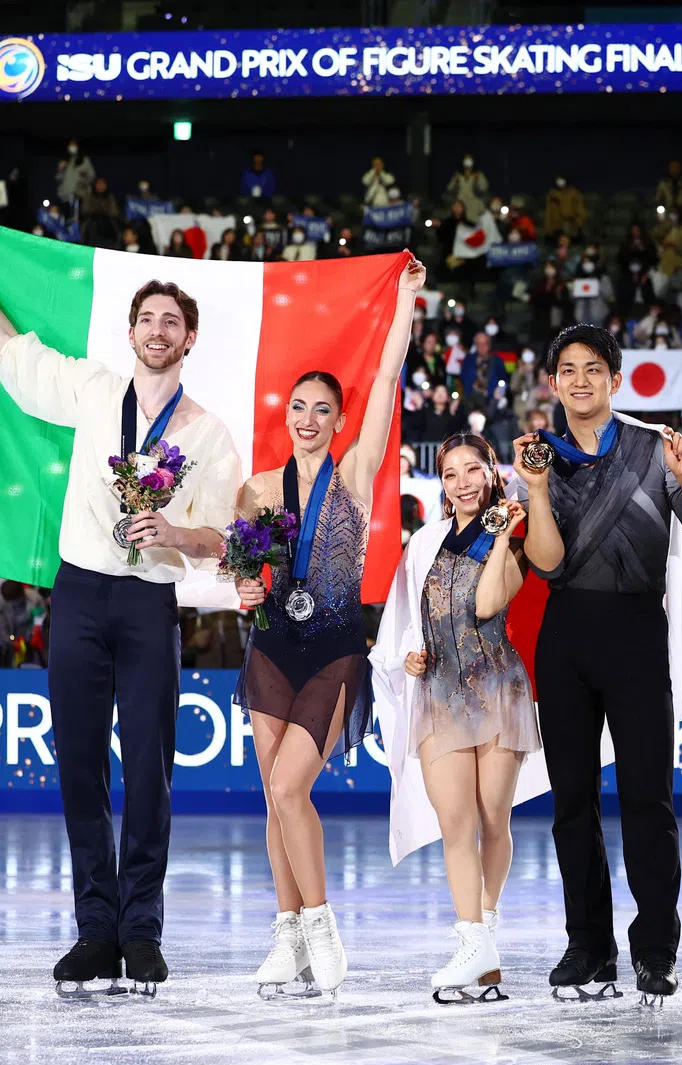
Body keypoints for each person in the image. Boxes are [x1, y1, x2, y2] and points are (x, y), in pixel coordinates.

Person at [0, 281, 243, 995]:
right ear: (131, 332)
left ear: (189, 338)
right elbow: (13, 353)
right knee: (77, 765)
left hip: (147, 601)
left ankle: (141, 933)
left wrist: (173, 532)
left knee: (148, 768)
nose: (158, 330)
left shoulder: (204, 430)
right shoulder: (94, 390)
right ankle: (96, 932)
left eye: (171, 321)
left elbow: (225, 536)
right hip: (77, 591)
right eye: (146, 319)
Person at [518, 324, 682, 1004]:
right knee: (571, 803)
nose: (580, 380)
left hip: (638, 629)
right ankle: (589, 946)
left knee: (647, 799)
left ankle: (656, 950)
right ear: (553, 384)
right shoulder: (536, 459)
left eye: (593, 369)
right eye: (568, 370)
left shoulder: (656, 450)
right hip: (566, 631)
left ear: (615, 379)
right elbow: (545, 563)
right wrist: (537, 491)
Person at [232, 256, 425, 1000]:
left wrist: (404, 302)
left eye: (322, 410)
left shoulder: (353, 473)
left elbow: (385, 379)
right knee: (274, 796)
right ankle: (288, 937)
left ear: (338, 421)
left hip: (337, 651)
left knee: (289, 787)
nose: (309, 420)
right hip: (273, 650)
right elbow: (243, 572)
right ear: (287, 417)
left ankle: (319, 923)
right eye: (299, 409)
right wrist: (245, 584)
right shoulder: (256, 489)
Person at [372, 434, 543, 1000]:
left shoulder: (516, 542)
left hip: (498, 689)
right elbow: (404, 620)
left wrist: (501, 534)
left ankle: (484, 935)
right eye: (450, 474)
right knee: (455, 824)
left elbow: (490, 603)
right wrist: (409, 655)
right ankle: (473, 942)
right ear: (442, 484)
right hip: (440, 694)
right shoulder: (423, 542)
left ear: (491, 473)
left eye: (473, 469)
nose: (463, 481)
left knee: (494, 817)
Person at [544, 174, 587, 240]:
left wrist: (578, 223)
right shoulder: (552, 194)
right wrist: (548, 229)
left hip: (571, 224)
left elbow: (580, 210)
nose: (560, 182)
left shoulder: (574, 193)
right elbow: (549, 213)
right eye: (558, 180)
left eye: (562, 180)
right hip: (556, 227)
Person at [446, 155, 489, 219]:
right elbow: (449, 189)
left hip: (474, 202)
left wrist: (477, 181)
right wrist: (456, 182)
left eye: (470, 161)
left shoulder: (478, 174)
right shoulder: (458, 175)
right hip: (461, 203)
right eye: (466, 160)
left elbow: (484, 188)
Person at [55, 139, 96, 207]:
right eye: (70, 145)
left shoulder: (84, 160)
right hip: (66, 195)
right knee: (68, 216)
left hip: (81, 195)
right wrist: (60, 169)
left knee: (80, 215)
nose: (72, 147)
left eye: (74, 145)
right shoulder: (65, 160)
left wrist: (84, 174)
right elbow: (58, 179)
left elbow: (92, 176)